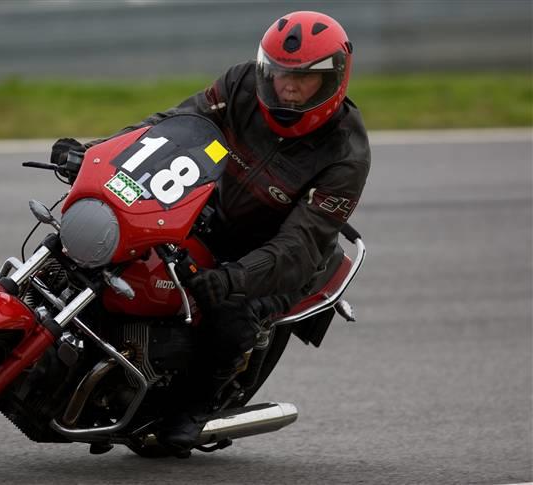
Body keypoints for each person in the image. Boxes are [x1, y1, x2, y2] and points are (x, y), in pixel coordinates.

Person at [51, 11, 370, 453]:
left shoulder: (345, 154)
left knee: (232, 310)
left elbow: (299, 244)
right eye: (277, 74)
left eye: (303, 78)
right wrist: (95, 153)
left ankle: (195, 407)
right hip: (209, 211)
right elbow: (171, 125)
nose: (287, 87)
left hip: (280, 255)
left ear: (333, 81)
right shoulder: (241, 86)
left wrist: (233, 278)